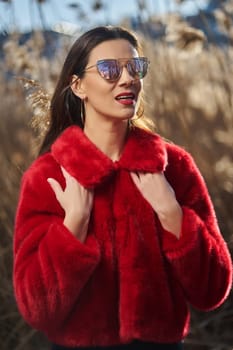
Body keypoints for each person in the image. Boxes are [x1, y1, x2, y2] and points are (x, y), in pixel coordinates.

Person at [13, 25, 232, 350]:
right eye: (109, 69)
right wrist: (72, 226)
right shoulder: (49, 176)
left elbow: (213, 290)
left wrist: (173, 216)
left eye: (135, 67)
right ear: (78, 85)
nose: (128, 78)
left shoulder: (174, 167)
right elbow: (37, 309)